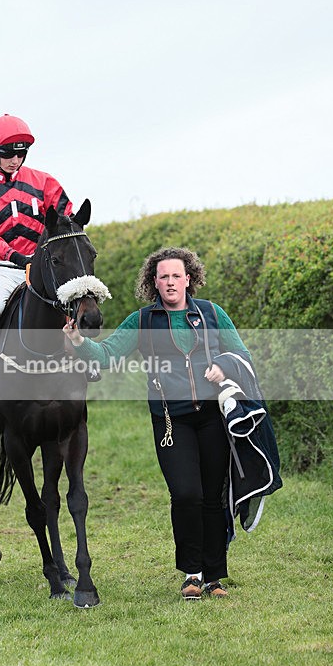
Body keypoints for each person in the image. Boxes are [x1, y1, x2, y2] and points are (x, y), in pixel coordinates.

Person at [64, 246, 257, 600]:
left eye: (176, 276)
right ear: (154, 282)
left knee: (213, 496)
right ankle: (192, 573)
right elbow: (106, 355)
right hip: (171, 421)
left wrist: (224, 367)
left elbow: (242, 354)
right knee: (186, 494)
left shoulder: (213, 314)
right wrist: (78, 341)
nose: (170, 282)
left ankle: (214, 577)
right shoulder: (142, 321)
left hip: (214, 417)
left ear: (189, 279)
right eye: (163, 276)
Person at [0, 113, 72, 389]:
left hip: (43, 267)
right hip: (4, 268)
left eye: (21, 154)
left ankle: (85, 360)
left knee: (77, 304)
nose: (16, 160)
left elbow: (65, 220)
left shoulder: (44, 182)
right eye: (9, 154)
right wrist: (12, 256)